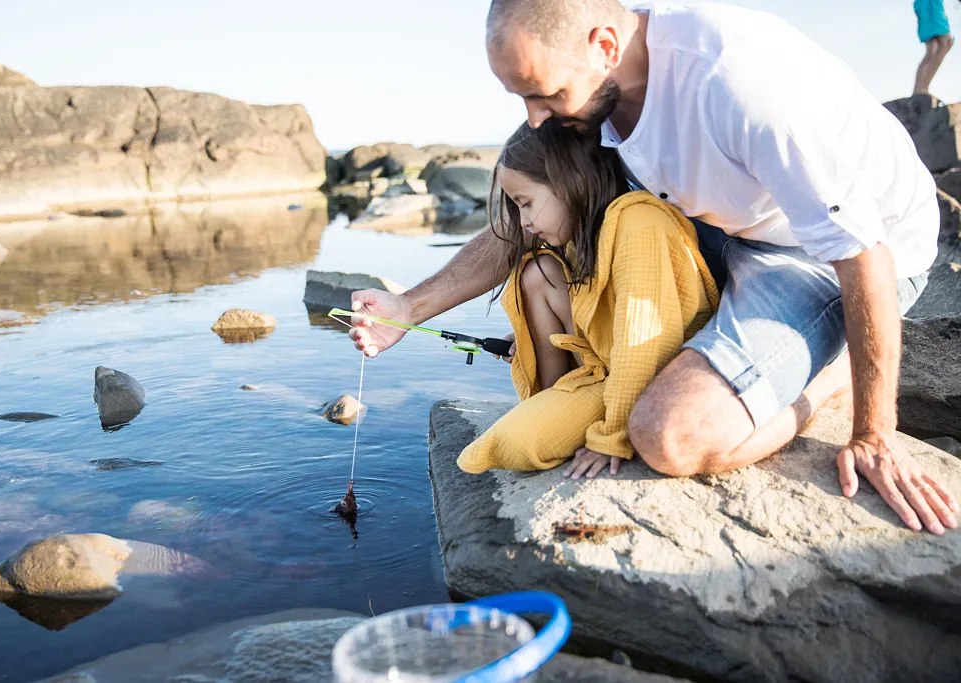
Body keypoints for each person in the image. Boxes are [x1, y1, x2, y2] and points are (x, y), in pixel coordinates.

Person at [350, 0, 958, 535]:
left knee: (668, 435)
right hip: (725, 226)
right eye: (521, 98)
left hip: (824, 254)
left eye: (544, 93)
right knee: (549, 255)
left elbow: (862, 253)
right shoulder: (592, 92)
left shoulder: (742, 84)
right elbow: (527, 212)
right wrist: (409, 309)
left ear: (605, 45)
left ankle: (833, 374)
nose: (535, 118)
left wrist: (873, 434)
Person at [451, 119, 718, 478]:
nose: (524, 221)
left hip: (651, 375)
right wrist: (528, 338)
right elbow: (595, 308)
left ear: (569, 181)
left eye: (526, 203)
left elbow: (642, 349)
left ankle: (566, 412)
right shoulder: (583, 232)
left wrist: (612, 436)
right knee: (536, 272)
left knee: (510, 444)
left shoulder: (640, 224)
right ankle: (552, 400)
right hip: (604, 360)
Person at [913, 0, 954, 95]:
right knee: (944, 44)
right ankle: (921, 90)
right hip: (930, 5)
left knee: (933, 49)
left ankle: (919, 90)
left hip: (926, 5)